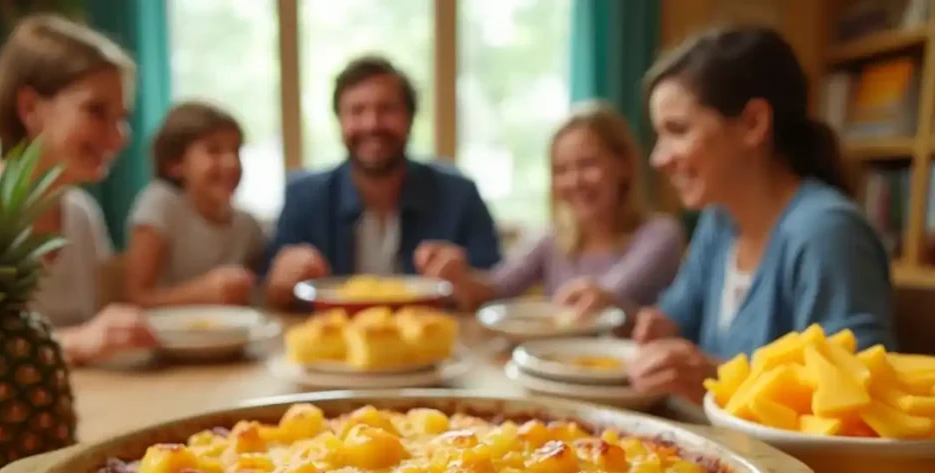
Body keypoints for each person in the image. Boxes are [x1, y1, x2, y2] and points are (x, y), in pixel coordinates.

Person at [568, 25, 896, 402]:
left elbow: (862, 391)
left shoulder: (826, 232)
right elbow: (676, 318)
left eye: (677, 130)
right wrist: (631, 317)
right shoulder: (719, 223)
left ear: (753, 124)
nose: (658, 159)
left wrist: (719, 375)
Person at [0, 14, 157, 366]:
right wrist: (77, 342)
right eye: (96, 111)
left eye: (121, 117)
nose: (121, 137)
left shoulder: (83, 214)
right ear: (29, 108)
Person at [263, 55, 502, 307]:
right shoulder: (302, 196)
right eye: (357, 111)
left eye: (387, 109)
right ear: (339, 121)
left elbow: (497, 289)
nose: (372, 124)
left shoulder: (460, 195)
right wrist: (281, 283)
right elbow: (272, 297)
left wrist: (466, 281)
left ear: (410, 118)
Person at [431, 100, 685, 309]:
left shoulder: (660, 234)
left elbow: (609, 295)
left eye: (588, 164)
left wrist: (598, 297)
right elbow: (496, 288)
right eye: (561, 170)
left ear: (624, 166)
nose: (574, 182)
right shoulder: (552, 237)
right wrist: (458, 277)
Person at [123, 101, 263, 308]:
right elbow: (135, 298)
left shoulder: (247, 226)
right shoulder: (160, 205)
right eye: (214, 150)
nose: (231, 163)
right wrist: (201, 293)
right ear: (175, 164)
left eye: (236, 150)